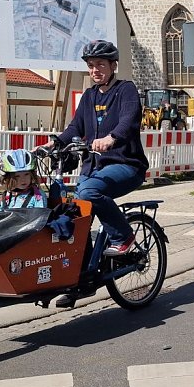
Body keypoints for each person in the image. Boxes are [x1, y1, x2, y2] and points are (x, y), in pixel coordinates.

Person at [36, 40, 149, 307]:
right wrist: (54, 143)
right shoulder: (89, 96)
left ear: (112, 66)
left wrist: (112, 138)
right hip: (93, 166)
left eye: (100, 64)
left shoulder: (126, 90)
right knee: (73, 216)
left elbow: (129, 120)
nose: (95, 70)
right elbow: (75, 127)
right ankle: (82, 280)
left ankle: (124, 236)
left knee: (88, 192)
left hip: (125, 163)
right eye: (91, 66)